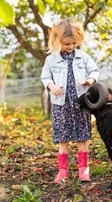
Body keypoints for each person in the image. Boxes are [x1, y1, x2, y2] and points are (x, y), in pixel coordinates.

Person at [40, 18, 100, 183]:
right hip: (61, 105)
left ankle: (84, 170)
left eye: (73, 43)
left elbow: (94, 71)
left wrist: (90, 81)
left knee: (82, 137)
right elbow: (45, 77)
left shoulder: (83, 57)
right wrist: (51, 85)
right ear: (57, 41)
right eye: (66, 43)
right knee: (62, 138)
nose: (70, 46)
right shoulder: (51, 60)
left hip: (80, 103)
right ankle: (63, 171)